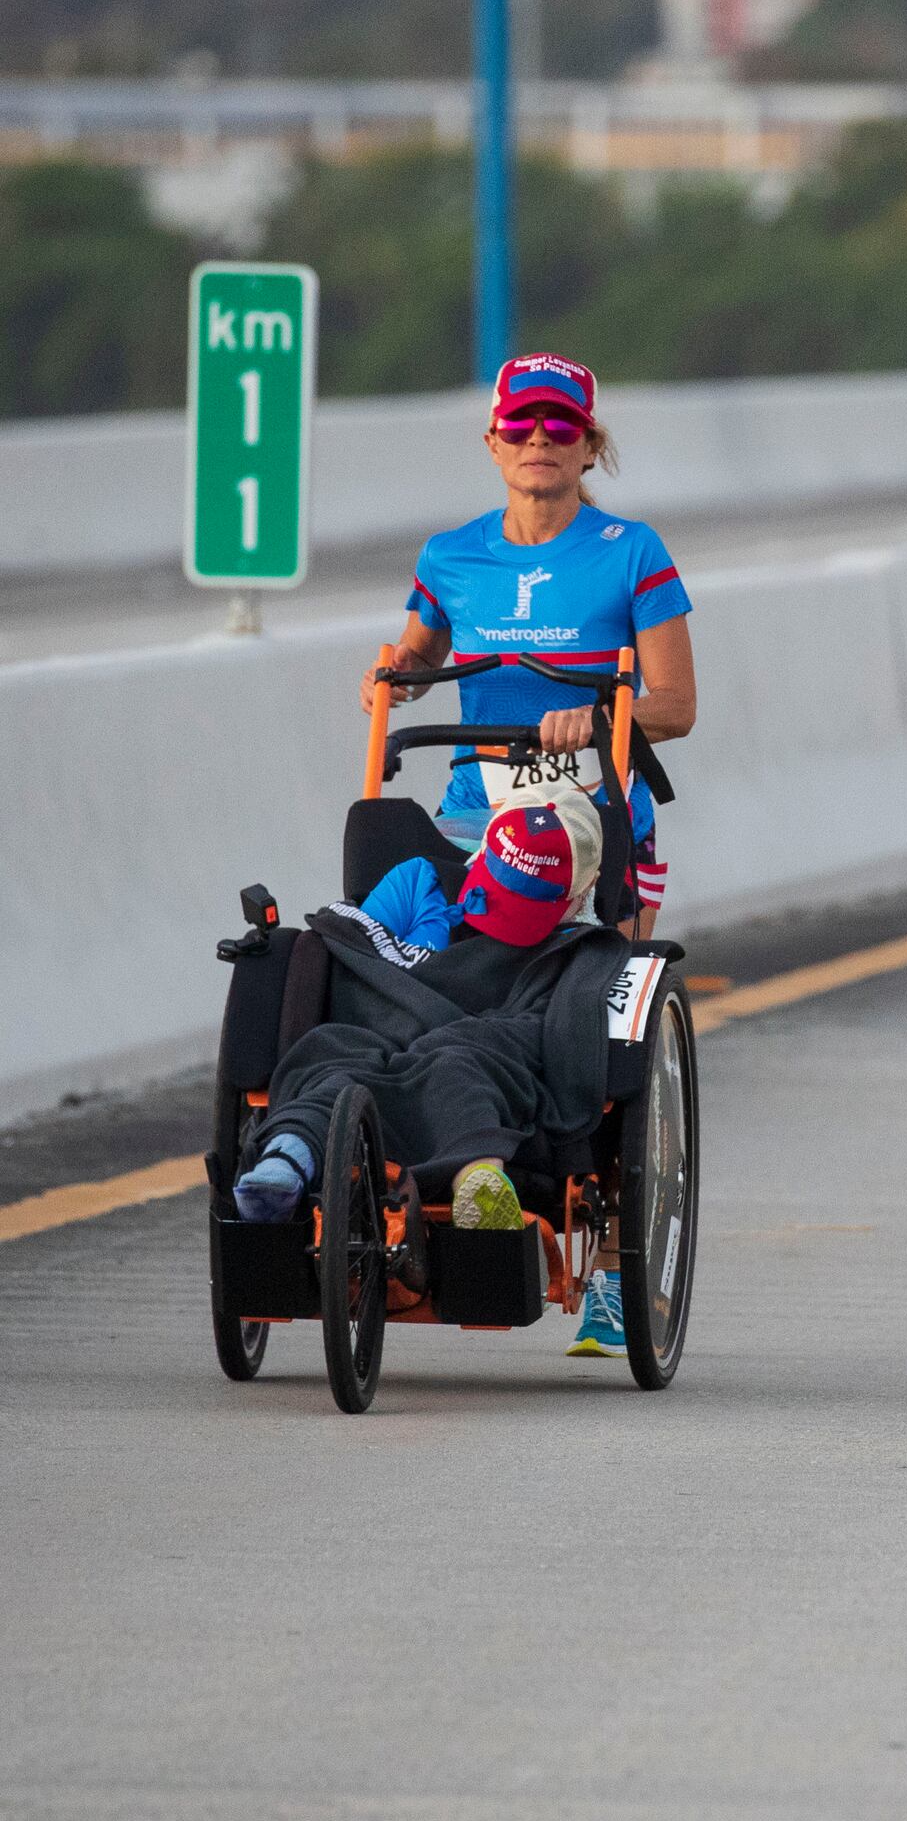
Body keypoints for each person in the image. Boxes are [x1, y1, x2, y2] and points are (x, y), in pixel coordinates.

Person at [363, 352, 697, 1357]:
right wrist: (403, 674)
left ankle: (607, 1270)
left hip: (598, 821)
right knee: (450, 997)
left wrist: (595, 716)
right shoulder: (453, 555)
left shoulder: (631, 552)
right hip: (475, 821)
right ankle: (449, 1168)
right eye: (523, 428)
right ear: (492, 442)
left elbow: (675, 705)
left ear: (592, 444)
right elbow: (417, 653)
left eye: (562, 428)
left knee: (600, 1035)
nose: (541, 443)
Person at [230, 793, 620, 1247]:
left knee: (466, 1064)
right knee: (335, 1055)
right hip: (380, 1036)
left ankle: (478, 1180)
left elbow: (548, 1029)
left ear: (580, 894)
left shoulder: (572, 948)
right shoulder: (418, 881)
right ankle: (285, 1160)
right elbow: (357, 961)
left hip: (475, 1047)